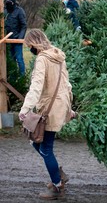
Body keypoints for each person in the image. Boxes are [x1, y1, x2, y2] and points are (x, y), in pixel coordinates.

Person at [18, 29, 75, 200]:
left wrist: (25, 108)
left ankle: (57, 186)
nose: (29, 49)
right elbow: (67, 84)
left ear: (34, 44)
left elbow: (36, 87)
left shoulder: (43, 59)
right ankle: (58, 175)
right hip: (59, 106)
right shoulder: (57, 56)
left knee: (45, 148)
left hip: (50, 109)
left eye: (29, 46)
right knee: (37, 142)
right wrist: (68, 107)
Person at [4, 0, 27, 76]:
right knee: (11, 60)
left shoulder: (19, 11)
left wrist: (20, 39)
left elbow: (24, 26)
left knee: (19, 59)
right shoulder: (5, 11)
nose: (8, 5)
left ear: (13, 3)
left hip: (17, 40)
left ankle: (22, 78)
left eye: (9, 3)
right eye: (6, 3)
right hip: (7, 40)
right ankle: (13, 78)